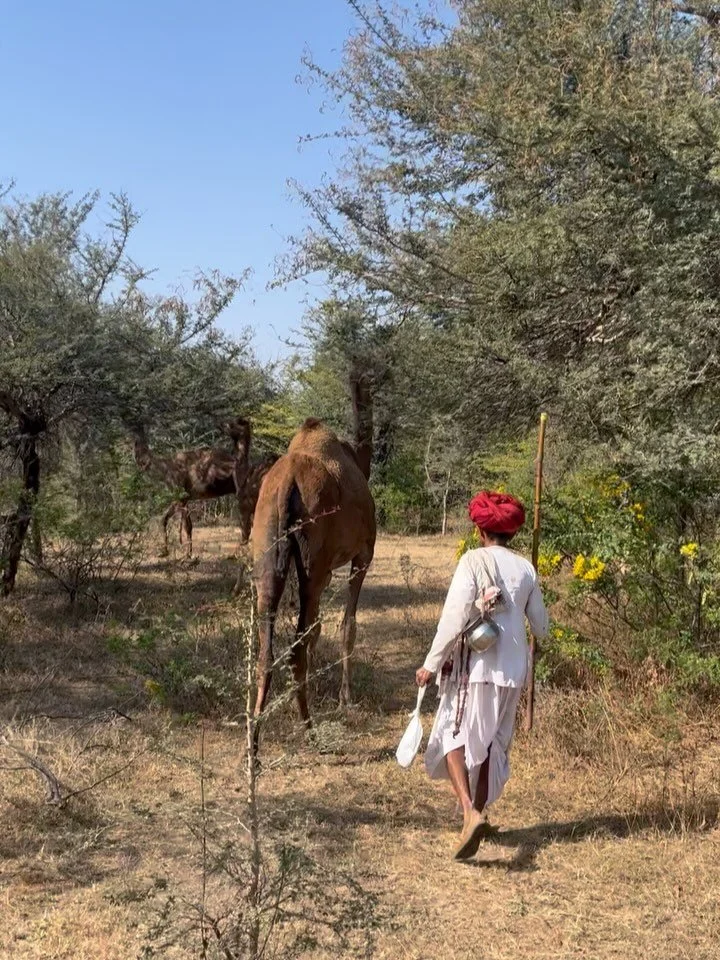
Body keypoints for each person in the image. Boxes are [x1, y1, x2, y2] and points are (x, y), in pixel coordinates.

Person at [415, 490, 548, 860]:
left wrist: (430, 662)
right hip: (514, 670)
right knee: (491, 744)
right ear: (511, 533)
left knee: (451, 734)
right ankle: (477, 813)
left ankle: (470, 813)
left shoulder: (472, 561)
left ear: (480, 530)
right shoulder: (526, 568)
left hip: (476, 667)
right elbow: (541, 626)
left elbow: (454, 618)